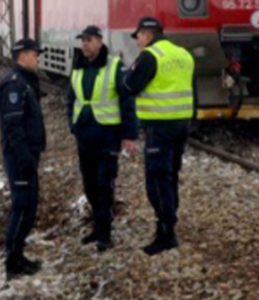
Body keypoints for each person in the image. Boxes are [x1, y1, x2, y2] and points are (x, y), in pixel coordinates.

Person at [124, 17, 195, 256]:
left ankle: (166, 233)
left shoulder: (150, 56)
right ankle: (169, 221)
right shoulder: (183, 55)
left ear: (147, 34)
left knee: (156, 179)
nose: (137, 42)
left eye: (138, 37)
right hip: (181, 125)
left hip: (159, 127)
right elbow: (192, 90)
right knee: (171, 174)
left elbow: (130, 85)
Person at [66, 26, 138, 252]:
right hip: (85, 136)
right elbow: (71, 100)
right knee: (89, 186)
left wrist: (129, 135)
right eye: (83, 41)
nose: (85, 45)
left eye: (89, 40)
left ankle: (104, 235)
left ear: (99, 41)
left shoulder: (114, 66)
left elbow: (127, 101)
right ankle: (98, 227)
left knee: (104, 186)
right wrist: (73, 125)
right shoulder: (78, 68)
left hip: (107, 136)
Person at [0, 38, 46, 279]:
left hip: (27, 155)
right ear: (23, 55)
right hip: (20, 157)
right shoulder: (15, 84)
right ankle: (12, 260)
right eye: (35, 54)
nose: (38, 58)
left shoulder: (25, 82)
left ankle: (18, 255)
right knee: (22, 206)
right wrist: (25, 158)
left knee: (29, 206)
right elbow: (12, 126)